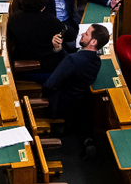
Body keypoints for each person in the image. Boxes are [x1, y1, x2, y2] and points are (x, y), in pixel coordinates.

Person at [42, 23, 110, 158]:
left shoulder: (72, 59)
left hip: (59, 103)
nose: (83, 33)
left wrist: (42, 94)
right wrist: (60, 49)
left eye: (87, 33)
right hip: (78, 101)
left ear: (93, 41)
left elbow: (49, 85)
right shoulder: (96, 61)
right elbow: (75, 62)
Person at [7, 0, 67, 76]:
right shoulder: (49, 20)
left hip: (22, 55)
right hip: (42, 65)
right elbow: (71, 35)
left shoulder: (15, 17)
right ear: (44, 4)